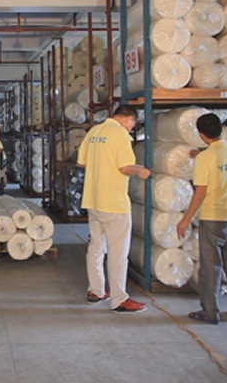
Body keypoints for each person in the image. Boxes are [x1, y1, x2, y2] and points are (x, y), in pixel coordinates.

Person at [77, 105, 150, 313]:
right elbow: (125, 167)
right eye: (132, 125)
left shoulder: (94, 132)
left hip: (93, 198)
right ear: (130, 120)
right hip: (114, 202)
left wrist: (101, 166)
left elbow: (82, 163)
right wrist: (141, 171)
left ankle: (96, 290)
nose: (131, 129)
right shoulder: (120, 133)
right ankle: (119, 299)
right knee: (118, 253)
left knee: (96, 247)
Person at [177, 114, 227, 325]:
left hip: (214, 217)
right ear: (221, 130)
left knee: (210, 267)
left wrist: (185, 219)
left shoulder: (205, 159)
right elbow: (221, 160)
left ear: (201, 134)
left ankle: (210, 311)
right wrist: (201, 153)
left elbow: (200, 192)